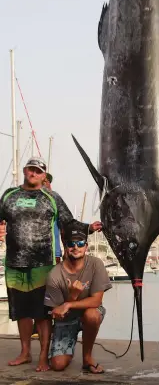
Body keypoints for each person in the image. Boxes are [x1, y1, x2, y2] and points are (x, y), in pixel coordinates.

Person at [0, 157, 102, 372]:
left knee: (42, 312)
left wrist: (89, 228)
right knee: (21, 312)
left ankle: (43, 355)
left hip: (42, 263)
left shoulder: (51, 197)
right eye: (31, 169)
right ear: (25, 170)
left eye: (38, 171)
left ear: (43, 175)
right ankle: (25, 352)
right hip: (13, 263)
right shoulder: (9, 195)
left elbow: (69, 223)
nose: (34, 173)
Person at [44, 225, 111, 374]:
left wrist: (69, 303)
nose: (76, 247)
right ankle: (68, 348)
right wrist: (73, 295)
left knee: (92, 315)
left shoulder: (96, 264)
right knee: (58, 365)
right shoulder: (54, 275)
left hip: (88, 313)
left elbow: (96, 301)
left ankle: (87, 359)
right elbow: (58, 314)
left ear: (86, 246)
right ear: (66, 246)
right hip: (66, 320)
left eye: (80, 243)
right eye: (71, 243)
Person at [43, 173, 62, 264]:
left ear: (49, 183)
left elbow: (65, 226)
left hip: (54, 253)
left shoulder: (55, 199)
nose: (42, 184)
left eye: (45, 181)